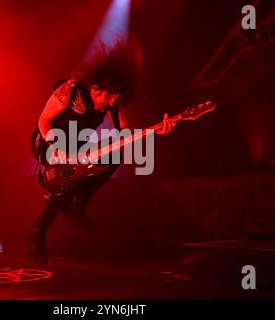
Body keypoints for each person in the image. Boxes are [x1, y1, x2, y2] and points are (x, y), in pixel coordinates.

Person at [26, 40, 175, 264]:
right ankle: (37, 233)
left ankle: (78, 202)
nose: (113, 101)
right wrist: (56, 147)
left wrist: (156, 131)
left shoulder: (111, 104)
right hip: (47, 141)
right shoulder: (70, 90)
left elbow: (125, 132)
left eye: (116, 97)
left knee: (115, 156)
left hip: (75, 148)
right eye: (110, 96)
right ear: (96, 89)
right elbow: (44, 120)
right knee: (64, 181)